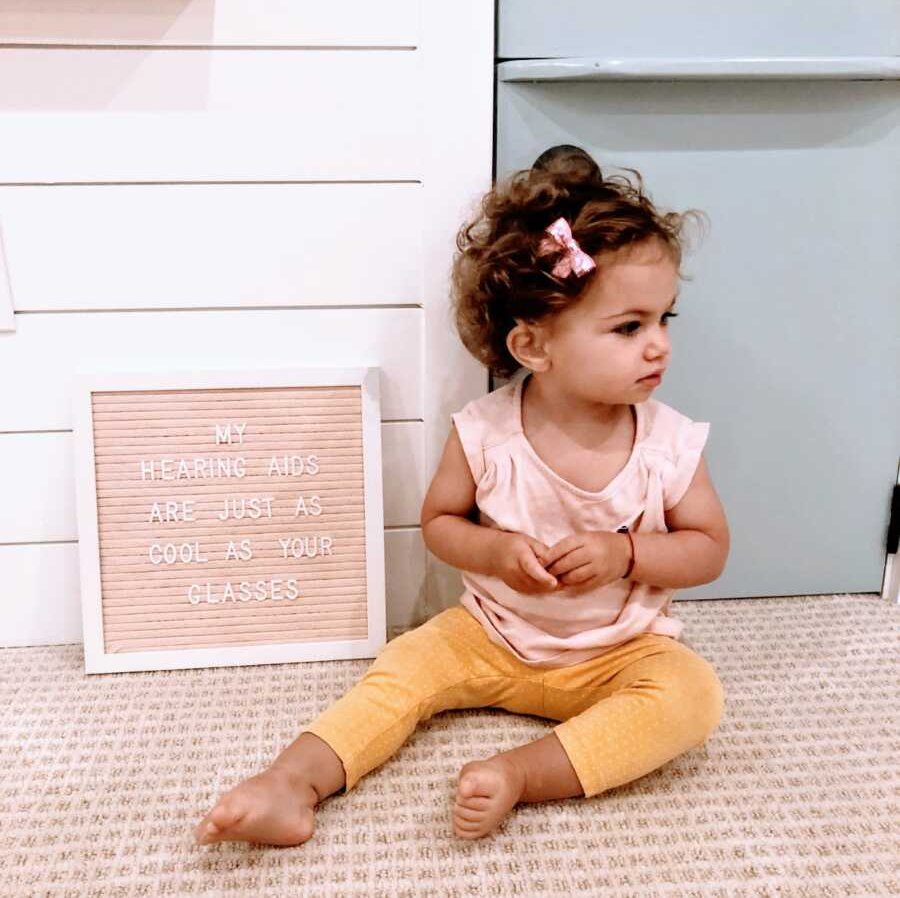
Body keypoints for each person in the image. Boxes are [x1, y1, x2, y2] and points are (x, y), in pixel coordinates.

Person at [194, 145, 729, 847]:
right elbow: (440, 523)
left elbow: (708, 549)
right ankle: (292, 782)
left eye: (665, 320)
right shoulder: (486, 433)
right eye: (629, 327)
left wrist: (627, 553)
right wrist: (497, 549)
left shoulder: (668, 444)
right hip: (489, 636)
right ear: (534, 347)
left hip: (617, 650)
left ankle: (522, 774)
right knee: (402, 669)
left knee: (692, 697)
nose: (657, 345)